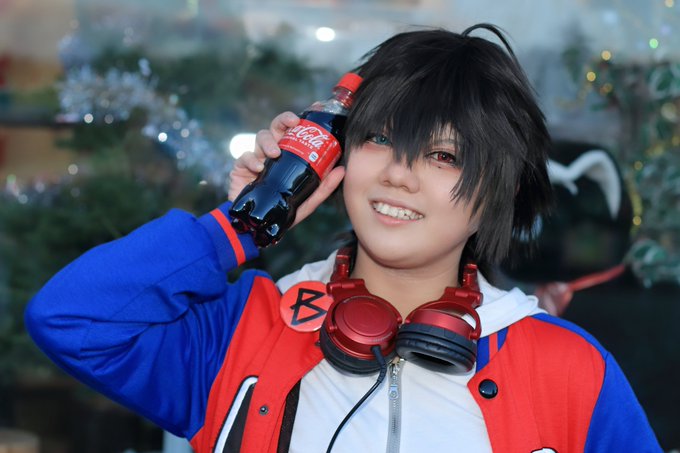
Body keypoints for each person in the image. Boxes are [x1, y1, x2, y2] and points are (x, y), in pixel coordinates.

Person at [25, 24, 661, 453]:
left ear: (499, 192)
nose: (398, 174)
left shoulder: (568, 368)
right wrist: (243, 223)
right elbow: (71, 318)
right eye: (379, 138)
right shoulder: (243, 331)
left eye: (443, 156)